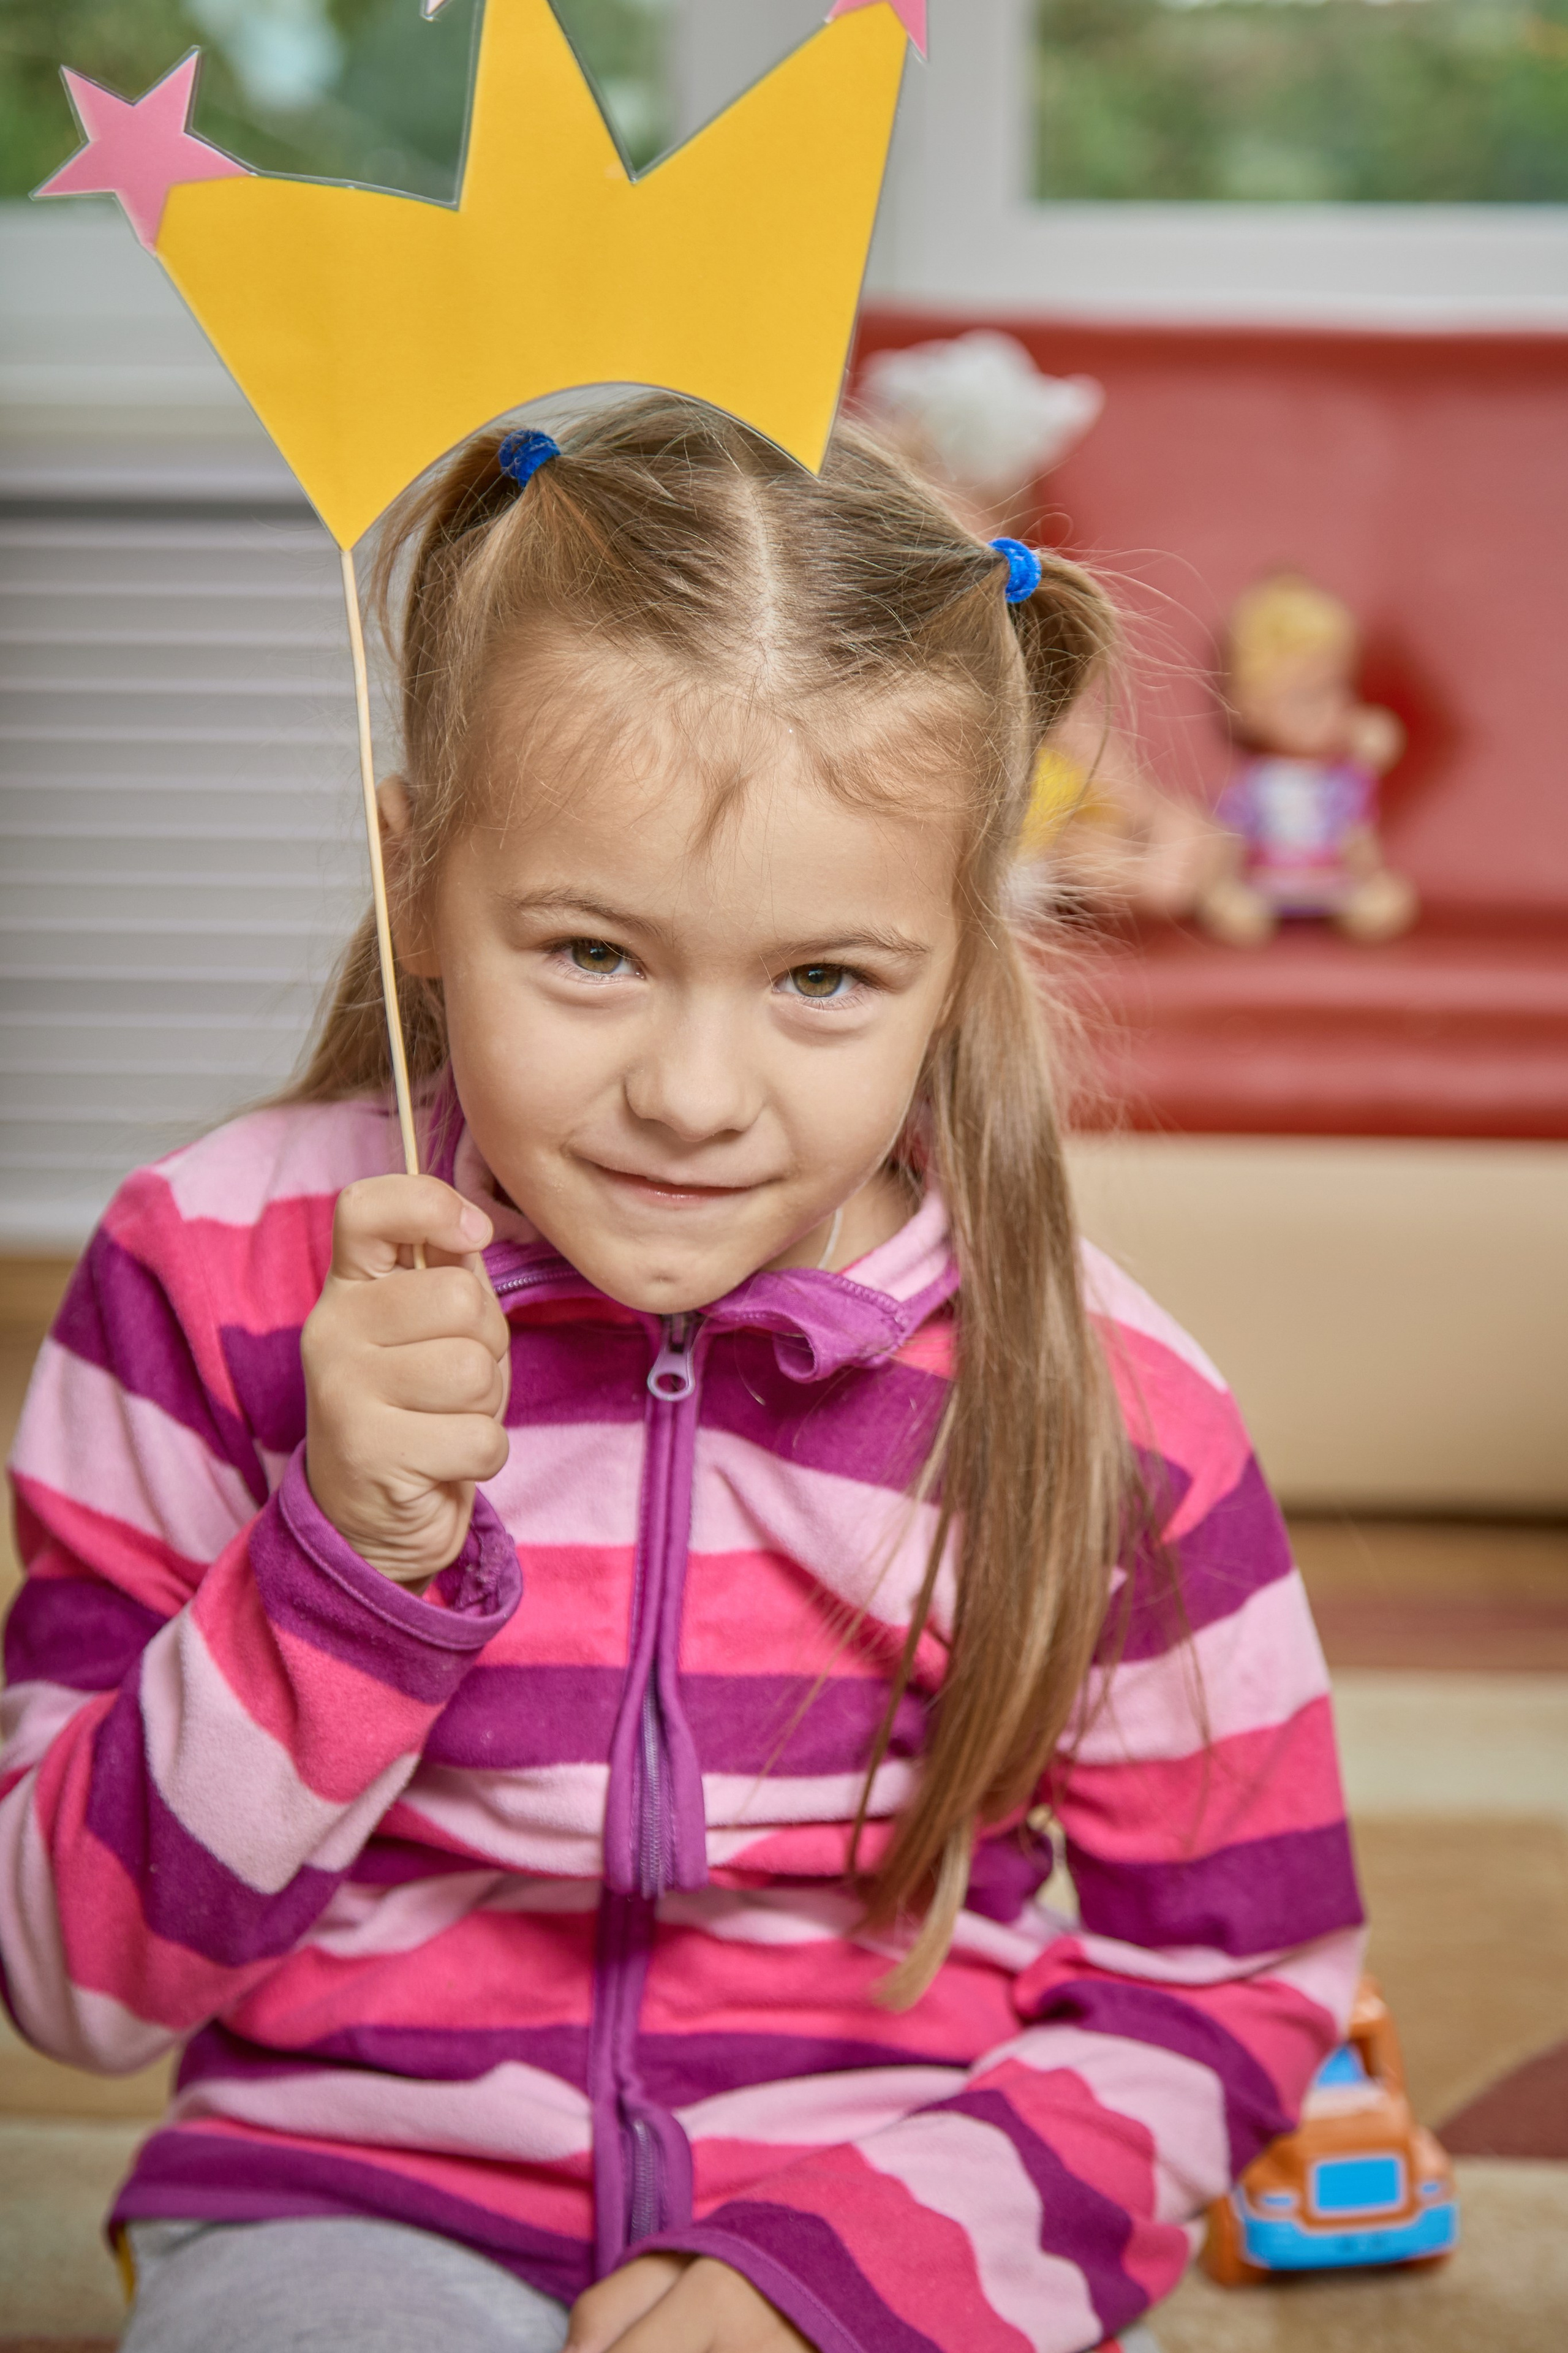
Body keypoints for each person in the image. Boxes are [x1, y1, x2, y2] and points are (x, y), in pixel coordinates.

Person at [1, 399, 1364, 2353]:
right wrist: (341, 1571)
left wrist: (839, 2280)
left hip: (901, 2209)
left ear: (960, 969)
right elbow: (72, 1983)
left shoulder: (1108, 1399)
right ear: (418, 883)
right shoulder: (202, 1275)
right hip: (345, 2193)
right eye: (590, 952)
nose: (695, 1096)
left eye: (823, 978)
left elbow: (1237, 1984)